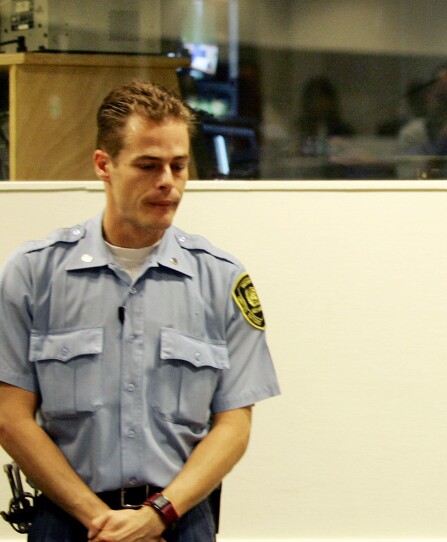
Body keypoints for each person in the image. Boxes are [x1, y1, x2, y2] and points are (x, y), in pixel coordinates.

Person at [0, 81, 281, 541]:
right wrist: (97, 517)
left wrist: (156, 516)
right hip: (68, 521)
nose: (167, 181)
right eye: (148, 166)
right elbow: (10, 419)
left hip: (179, 519)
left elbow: (234, 425)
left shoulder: (221, 280)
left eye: (179, 165)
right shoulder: (34, 273)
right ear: (103, 166)